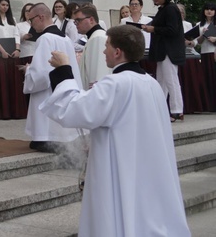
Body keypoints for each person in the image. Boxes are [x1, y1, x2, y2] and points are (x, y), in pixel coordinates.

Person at [40, 25, 191, 237]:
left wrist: (63, 70)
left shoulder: (115, 84)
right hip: (145, 164)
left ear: (117, 52)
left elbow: (74, 110)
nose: (104, 51)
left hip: (122, 165)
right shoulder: (151, 83)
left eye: (107, 46)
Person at [22, 3, 81, 152]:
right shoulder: (65, 38)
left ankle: (45, 138)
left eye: (31, 20)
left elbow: (41, 75)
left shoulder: (45, 39)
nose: (31, 24)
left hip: (47, 90)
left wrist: (29, 71)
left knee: (45, 128)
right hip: (62, 86)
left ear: (41, 17)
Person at [142, 0, 186, 122]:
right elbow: (158, 25)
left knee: (171, 80)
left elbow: (172, 30)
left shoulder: (171, 9)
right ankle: (161, 108)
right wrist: (148, 27)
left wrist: (153, 29)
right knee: (162, 81)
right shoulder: (164, 10)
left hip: (169, 50)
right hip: (163, 50)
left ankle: (177, 110)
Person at [0, 0, 24, 119]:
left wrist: (17, 49)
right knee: (1, 83)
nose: (5, 7)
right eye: (3, 5)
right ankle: (2, 113)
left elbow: (16, 35)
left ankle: (14, 112)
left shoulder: (12, 19)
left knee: (12, 83)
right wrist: (2, 51)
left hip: (12, 54)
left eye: (7, 5)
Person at [72, 4, 108, 90]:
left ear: (91, 20)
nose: (76, 24)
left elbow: (98, 75)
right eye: (75, 21)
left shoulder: (98, 38)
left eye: (78, 20)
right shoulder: (94, 37)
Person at [194, 2, 216, 110]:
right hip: (205, 53)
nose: (209, 11)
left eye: (212, 9)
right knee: (207, 78)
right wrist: (203, 34)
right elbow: (198, 41)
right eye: (207, 9)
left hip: (214, 53)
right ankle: (210, 105)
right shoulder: (199, 24)